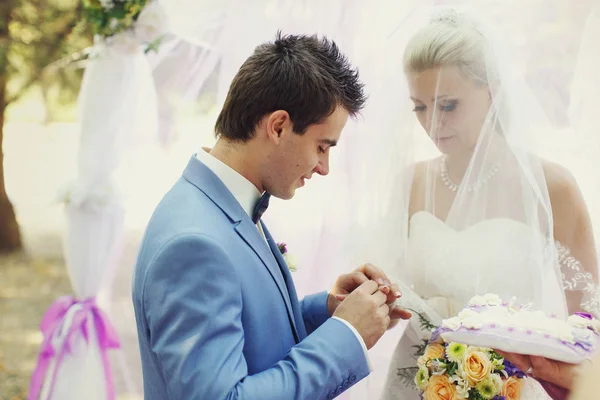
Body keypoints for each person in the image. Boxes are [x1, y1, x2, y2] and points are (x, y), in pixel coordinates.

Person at [311, 6, 599, 399]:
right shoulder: (410, 182)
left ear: (492, 92)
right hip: (416, 381)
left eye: (448, 105)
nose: (432, 123)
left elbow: (588, 322)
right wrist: (377, 298)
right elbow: (392, 312)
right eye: (419, 106)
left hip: (511, 384)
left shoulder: (553, 188)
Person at [131, 32, 411, 400]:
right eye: (322, 146)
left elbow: (246, 333)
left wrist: (327, 311)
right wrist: (347, 334)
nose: (324, 167)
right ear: (278, 126)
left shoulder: (224, 202)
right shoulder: (193, 245)